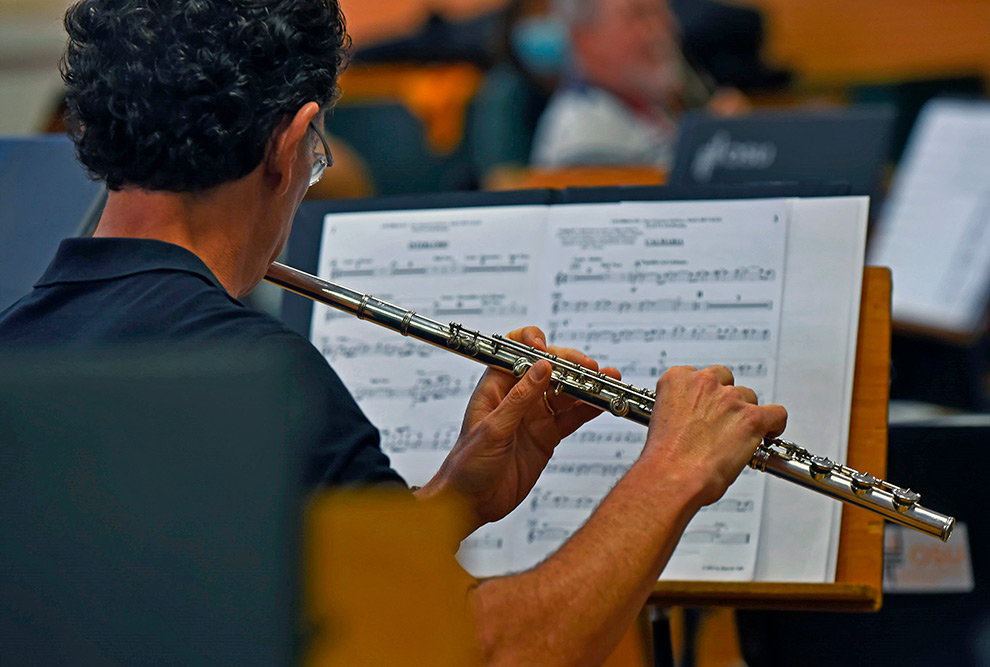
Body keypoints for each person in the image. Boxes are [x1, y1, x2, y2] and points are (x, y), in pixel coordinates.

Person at [0, 1, 786, 664]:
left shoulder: (17, 348)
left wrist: (447, 504)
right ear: (287, 145)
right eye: (315, 157)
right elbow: (484, 652)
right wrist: (672, 471)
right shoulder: (261, 384)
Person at [530, 0, 746, 170]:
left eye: (662, 12)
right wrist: (717, 147)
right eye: (638, 15)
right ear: (583, 39)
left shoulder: (644, 109)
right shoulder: (585, 136)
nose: (659, 30)